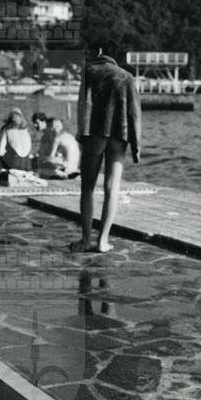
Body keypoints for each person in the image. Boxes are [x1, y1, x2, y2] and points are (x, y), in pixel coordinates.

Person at [70, 50, 141, 253]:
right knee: (113, 188)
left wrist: (80, 134)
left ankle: (85, 240)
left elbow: (82, 104)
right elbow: (135, 113)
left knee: (87, 188)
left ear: (99, 52)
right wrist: (136, 146)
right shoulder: (127, 77)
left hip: (95, 132)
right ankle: (103, 241)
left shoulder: (89, 71)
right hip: (120, 134)